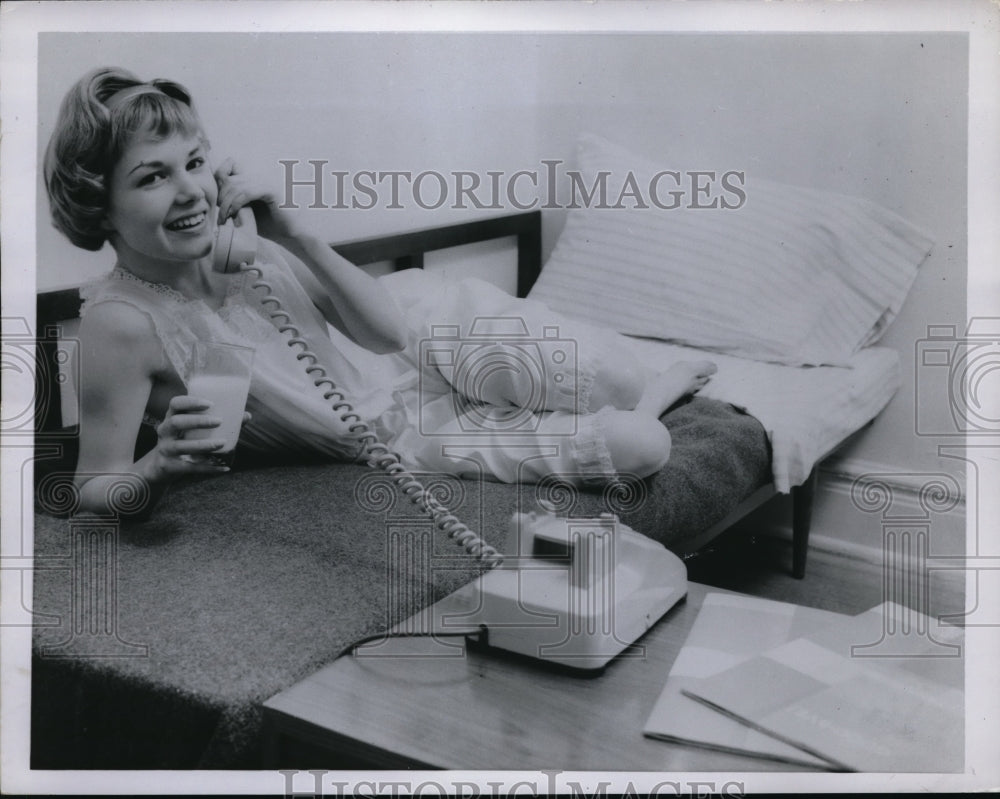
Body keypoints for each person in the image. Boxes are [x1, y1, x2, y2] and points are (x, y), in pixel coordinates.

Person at [44, 67, 716, 518]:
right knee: (641, 445)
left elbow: (387, 336)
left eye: (194, 162)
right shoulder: (121, 322)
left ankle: (645, 382)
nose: (190, 189)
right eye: (152, 177)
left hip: (413, 344)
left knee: (620, 376)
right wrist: (159, 464)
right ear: (99, 206)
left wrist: (294, 235)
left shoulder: (238, 251)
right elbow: (92, 484)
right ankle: (663, 393)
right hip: (396, 437)